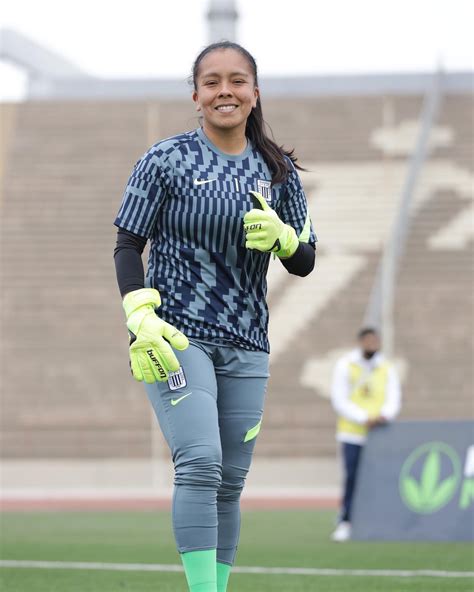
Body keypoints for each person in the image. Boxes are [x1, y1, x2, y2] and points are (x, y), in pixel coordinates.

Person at [113, 41, 316, 592]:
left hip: (248, 341)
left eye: (236, 81)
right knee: (201, 462)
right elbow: (128, 243)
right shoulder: (166, 160)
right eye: (211, 82)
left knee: (229, 482)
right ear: (196, 94)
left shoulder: (279, 172)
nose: (224, 91)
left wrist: (285, 237)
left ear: (254, 93)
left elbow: (306, 261)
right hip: (178, 333)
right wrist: (139, 312)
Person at [330, 327, 401, 542]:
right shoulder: (346, 365)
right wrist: (363, 417)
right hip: (353, 433)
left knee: (381, 478)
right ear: (361, 342)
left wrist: (383, 416)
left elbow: (394, 397)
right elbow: (339, 399)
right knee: (353, 478)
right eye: (368, 341)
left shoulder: (386, 367)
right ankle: (346, 520)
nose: (372, 345)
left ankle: (378, 520)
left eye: (375, 341)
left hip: (380, 434)